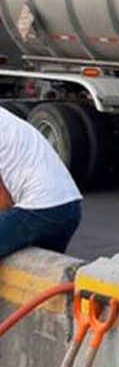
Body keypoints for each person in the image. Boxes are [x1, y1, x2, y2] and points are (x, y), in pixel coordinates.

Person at [0, 106, 83, 258]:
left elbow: (3, 199)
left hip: (40, 210)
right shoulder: (6, 120)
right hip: (70, 207)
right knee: (38, 276)